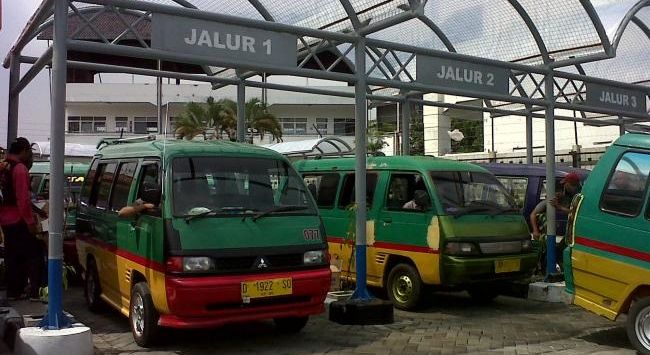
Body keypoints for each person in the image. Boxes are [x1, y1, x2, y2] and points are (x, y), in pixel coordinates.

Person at [0, 138, 43, 301]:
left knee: (13, 256)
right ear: (24, 151)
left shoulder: (5, 167)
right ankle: (34, 291)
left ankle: (14, 291)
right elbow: (22, 200)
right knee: (34, 253)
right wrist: (30, 222)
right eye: (29, 152)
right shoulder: (20, 169)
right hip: (18, 219)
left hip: (5, 220)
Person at [530, 172, 581, 240]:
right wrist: (535, 231)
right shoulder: (550, 201)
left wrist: (559, 207)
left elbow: (576, 213)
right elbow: (533, 214)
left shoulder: (576, 197)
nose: (557, 193)